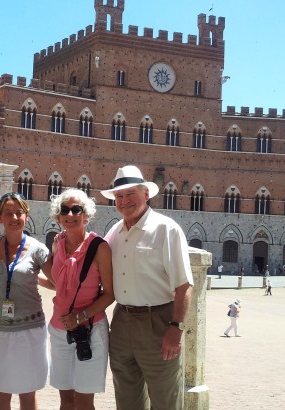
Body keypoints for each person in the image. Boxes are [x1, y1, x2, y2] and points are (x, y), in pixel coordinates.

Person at [101, 165, 194, 410]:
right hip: (121, 322)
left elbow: (184, 285)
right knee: (126, 397)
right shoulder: (114, 232)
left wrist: (176, 328)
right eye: (119, 196)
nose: (124, 201)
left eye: (130, 194)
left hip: (158, 322)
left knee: (165, 398)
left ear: (146, 194)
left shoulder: (166, 229)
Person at [40, 189, 115, 409]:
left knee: (83, 401)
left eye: (76, 210)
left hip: (90, 331)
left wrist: (80, 316)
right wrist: (31, 279)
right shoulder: (58, 245)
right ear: (58, 216)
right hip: (59, 329)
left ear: (86, 216)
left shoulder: (99, 247)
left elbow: (110, 293)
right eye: (65, 210)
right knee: (66, 399)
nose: (70, 214)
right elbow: (59, 286)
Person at [0, 192, 50, 410]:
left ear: (26, 216)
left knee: (27, 392)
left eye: (19, 213)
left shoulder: (38, 250)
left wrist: (30, 276)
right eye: (8, 213)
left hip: (29, 329)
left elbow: (57, 282)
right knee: (1, 392)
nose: (14, 217)